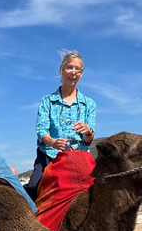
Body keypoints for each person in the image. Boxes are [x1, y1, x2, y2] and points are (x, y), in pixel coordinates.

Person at [23, 51, 96, 201]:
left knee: (97, 188)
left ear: (82, 73)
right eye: (70, 67)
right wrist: (54, 143)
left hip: (79, 155)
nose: (73, 72)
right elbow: (41, 130)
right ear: (62, 69)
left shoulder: (89, 104)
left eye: (77, 69)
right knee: (33, 186)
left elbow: (89, 139)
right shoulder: (47, 101)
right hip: (50, 154)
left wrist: (88, 131)